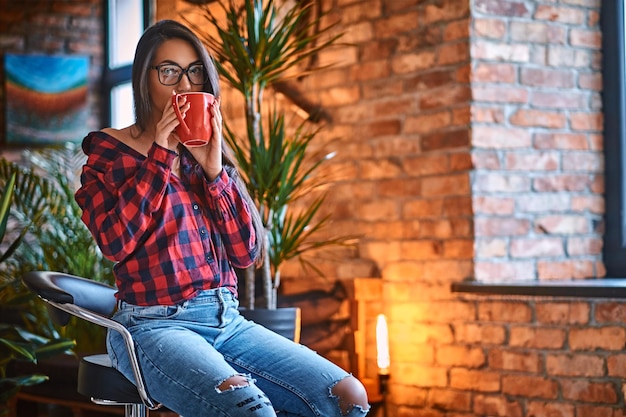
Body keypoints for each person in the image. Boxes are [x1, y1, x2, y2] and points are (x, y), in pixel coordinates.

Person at [74, 19, 370, 417]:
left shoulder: (206, 157)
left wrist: (214, 173)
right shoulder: (109, 150)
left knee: (347, 396)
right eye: (169, 72)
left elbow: (247, 253)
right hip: (153, 327)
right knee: (248, 408)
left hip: (229, 320)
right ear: (145, 79)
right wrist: (161, 153)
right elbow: (115, 242)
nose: (184, 86)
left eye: (195, 72)